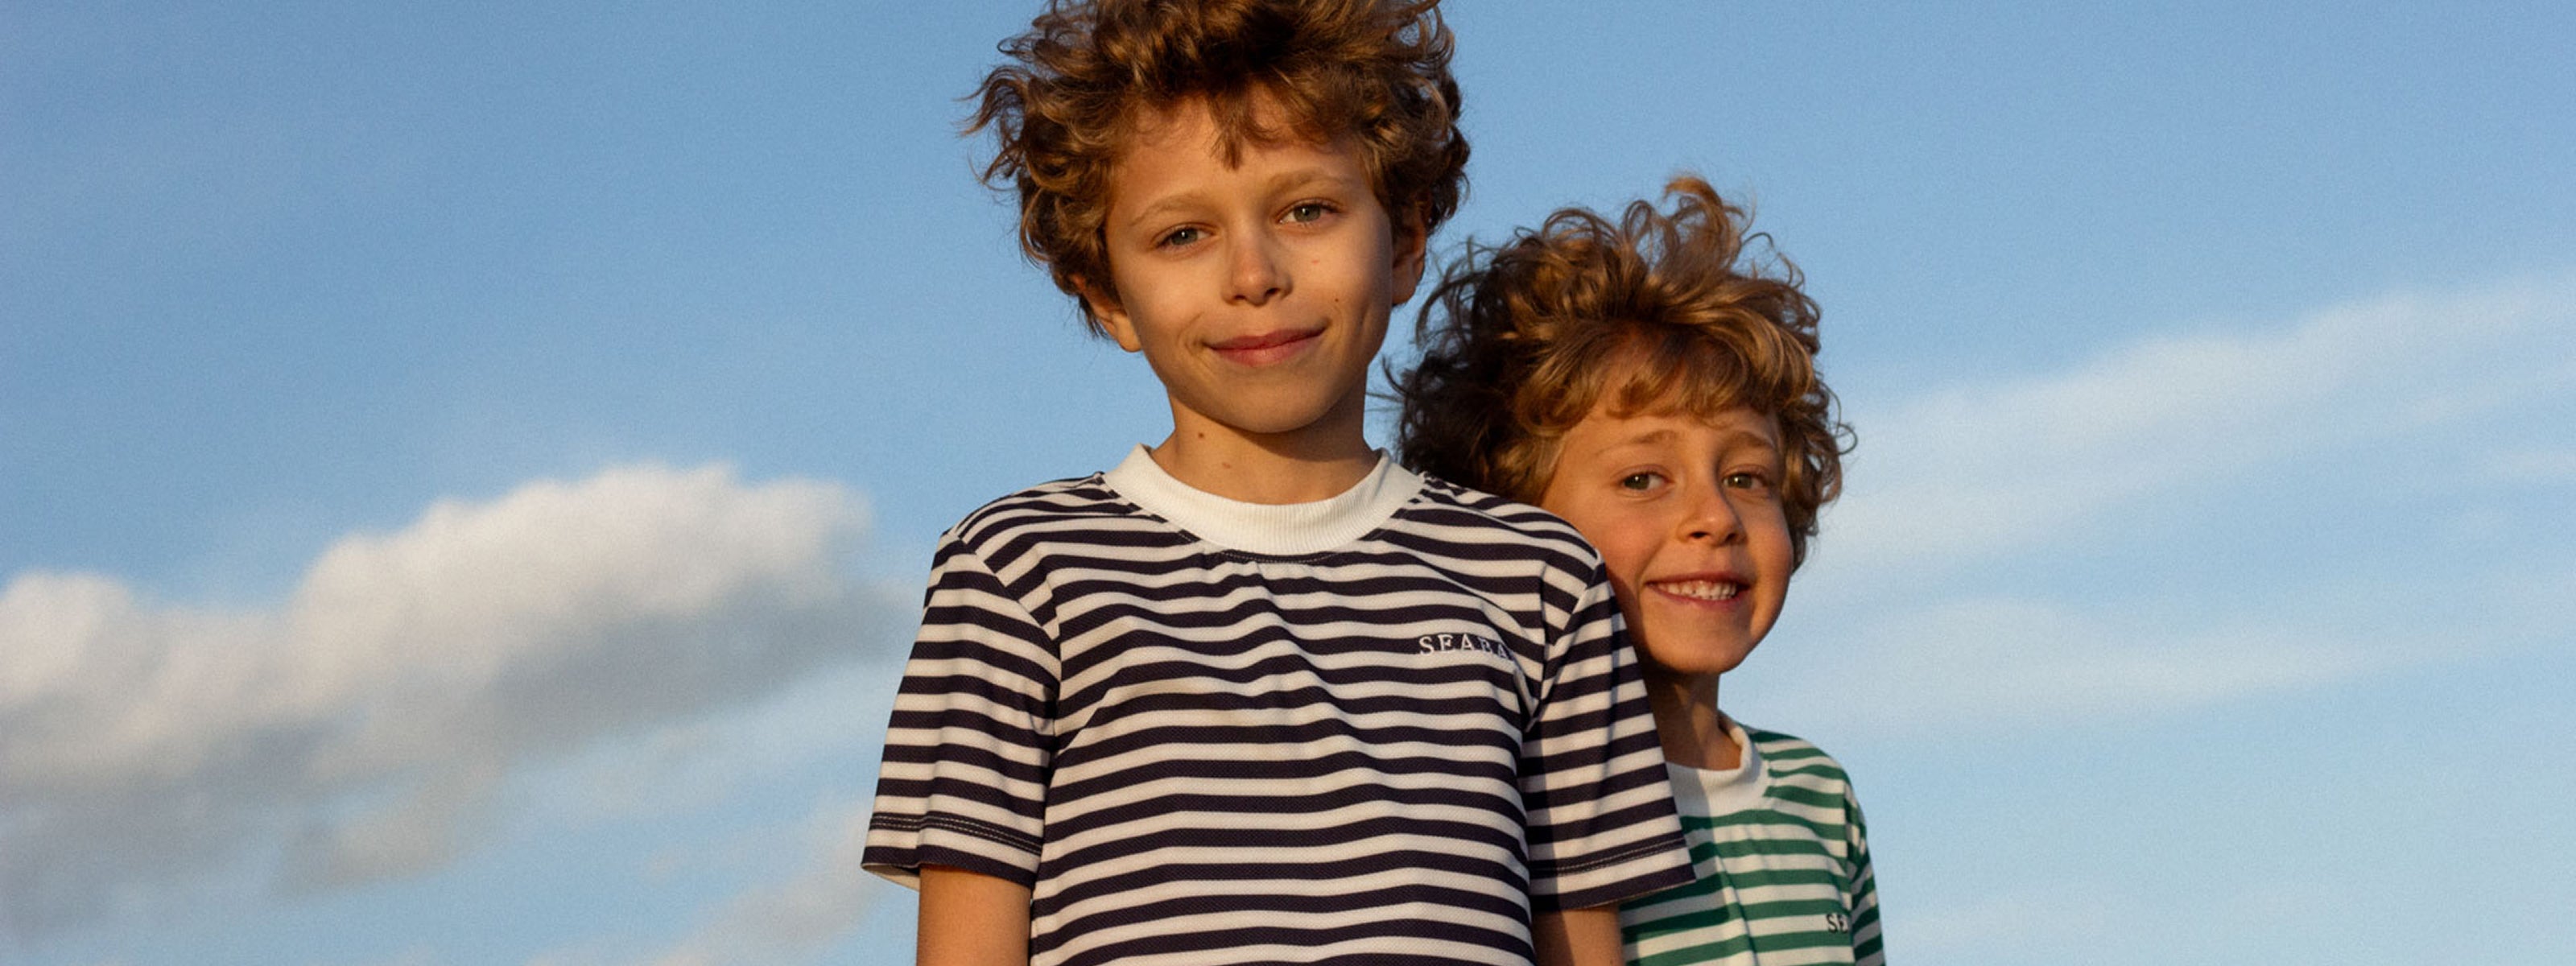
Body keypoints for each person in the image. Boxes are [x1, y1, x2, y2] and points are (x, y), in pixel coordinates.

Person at [860, 2, 1693, 964]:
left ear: (1405, 241)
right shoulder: (1017, 572)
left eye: (1307, 211)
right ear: (1107, 296)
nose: (1252, 275)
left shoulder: (1543, 580)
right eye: (1182, 234)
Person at [1394, 175, 1884, 965]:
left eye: (1746, 478)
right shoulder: (1501, 802)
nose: (1714, 517)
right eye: (1642, 479)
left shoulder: (1819, 797)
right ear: (1509, 516)